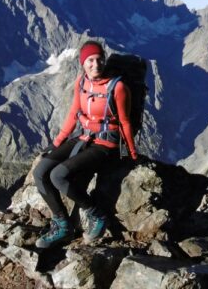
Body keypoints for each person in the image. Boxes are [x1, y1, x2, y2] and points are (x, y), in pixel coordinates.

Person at [32, 40, 138, 248]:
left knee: (58, 175)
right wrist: (58, 142)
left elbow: (126, 122)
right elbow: (74, 113)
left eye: (99, 59)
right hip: (84, 137)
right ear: (83, 63)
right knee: (40, 172)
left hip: (106, 144)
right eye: (90, 60)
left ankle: (96, 214)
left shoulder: (118, 87)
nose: (96, 64)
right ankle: (62, 224)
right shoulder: (81, 83)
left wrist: (132, 153)